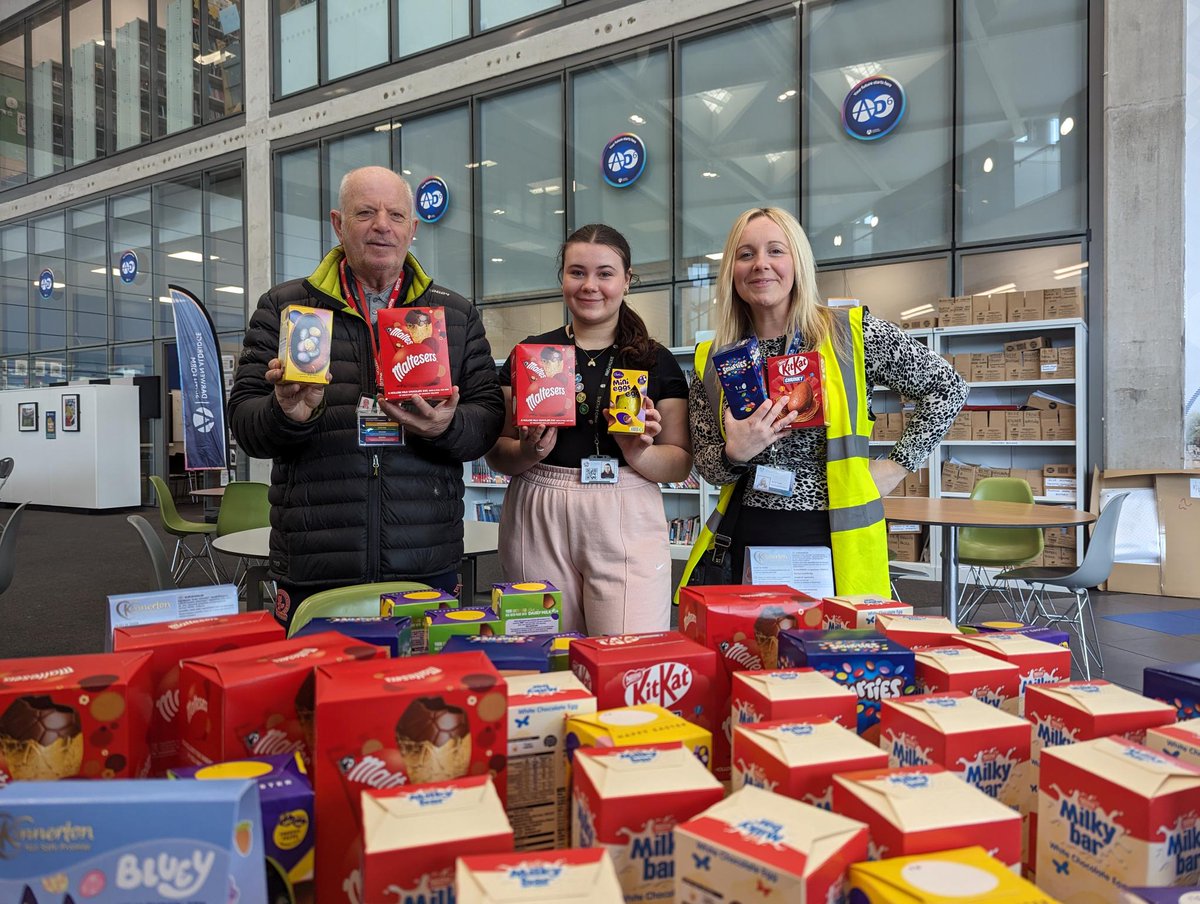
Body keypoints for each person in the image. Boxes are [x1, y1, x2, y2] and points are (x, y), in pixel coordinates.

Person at [229, 165, 504, 627]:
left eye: (396, 215)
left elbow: (488, 418)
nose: (382, 225)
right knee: (317, 692)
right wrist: (286, 414)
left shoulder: (453, 314)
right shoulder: (286, 308)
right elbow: (245, 424)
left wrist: (447, 428)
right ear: (338, 224)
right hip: (316, 561)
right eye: (365, 213)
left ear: (413, 230)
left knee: (423, 693)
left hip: (424, 557)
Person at [680, 208, 968, 598]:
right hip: (747, 536)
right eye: (745, 254)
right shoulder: (712, 359)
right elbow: (710, 468)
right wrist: (734, 453)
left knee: (833, 653)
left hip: (836, 538)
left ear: (797, 261)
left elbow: (947, 387)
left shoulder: (850, 334)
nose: (761, 264)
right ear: (731, 269)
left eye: (775, 251)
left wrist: (899, 464)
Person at [486, 224, 692, 634]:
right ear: (562, 277)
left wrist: (640, 452)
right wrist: (529, 451)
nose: (590, 286)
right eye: (577, 272)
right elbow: (497, 453)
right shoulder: (530, 355)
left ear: (627, 281)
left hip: (626, 504)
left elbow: (681, 462)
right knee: (542, 648)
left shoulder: (656, 361)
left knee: (628, 653)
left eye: (605, 273)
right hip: (537, 504)